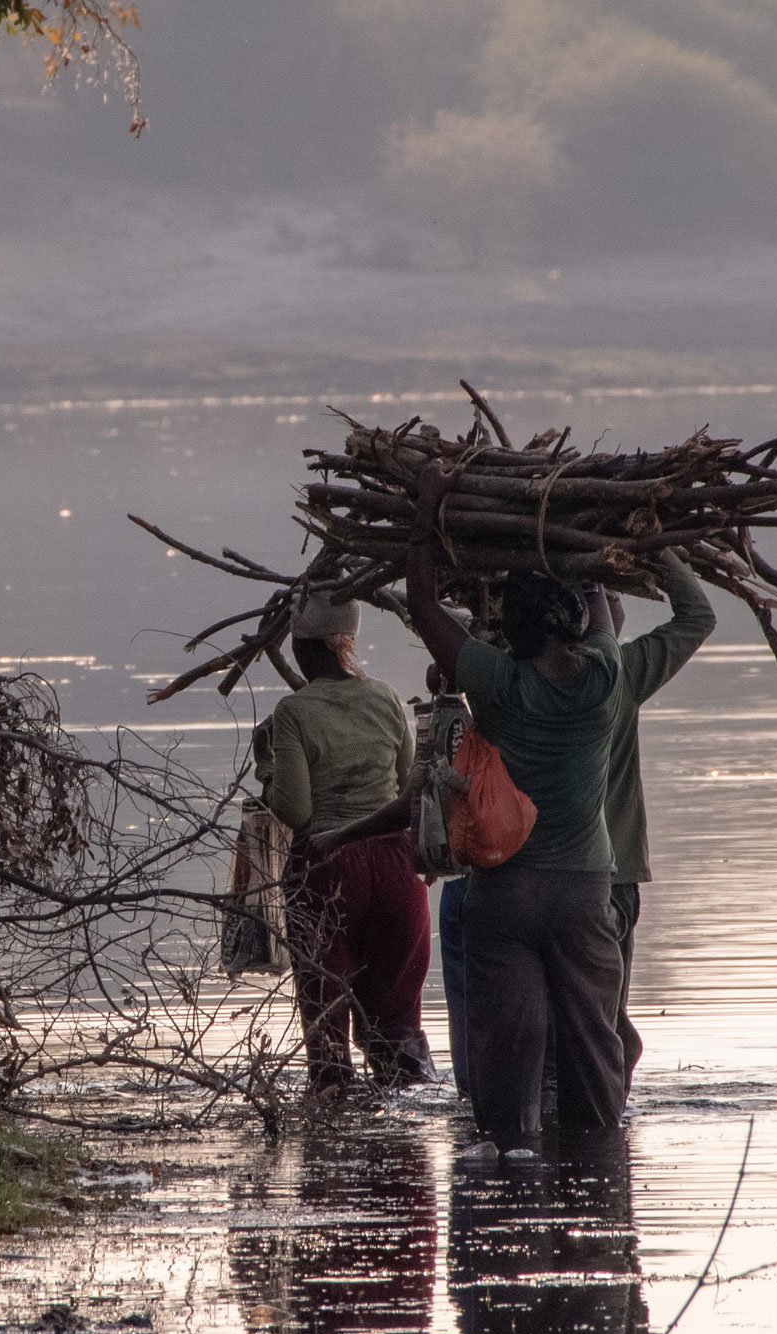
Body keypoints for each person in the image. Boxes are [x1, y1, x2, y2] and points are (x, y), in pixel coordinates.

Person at [403, 460, 624, 1151]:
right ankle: (599, 1185)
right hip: (584, 889)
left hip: (506, 889)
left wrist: (427, 512)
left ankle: (509, 1171)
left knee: (509, 1056)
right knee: (592, 1047)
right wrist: (584, 536)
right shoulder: (604, 678)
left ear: (511, 630)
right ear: (574, 626)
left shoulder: (494, 680)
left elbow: (423, 607)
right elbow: (605, 610)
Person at [258, 589, 435, 1098]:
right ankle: (407, 1155)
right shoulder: (383, 696)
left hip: (328, 871)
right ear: (347, 646)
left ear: (303, 649)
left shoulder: (292, 712)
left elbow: (294, 811)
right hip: (398, 869)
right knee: (398, 1027)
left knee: (329, 1031)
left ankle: (333, 1131)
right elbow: (408, 787)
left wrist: (267, 765)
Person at [602, 548, 715, 1093]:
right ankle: (605, 1127)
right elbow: (697, 615)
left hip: (534, 878)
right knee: (603, 1018)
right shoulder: (620, 676)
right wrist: (663, 547)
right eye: (609, 597)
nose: (619, 607)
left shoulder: (513, 677)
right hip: (611, 876)